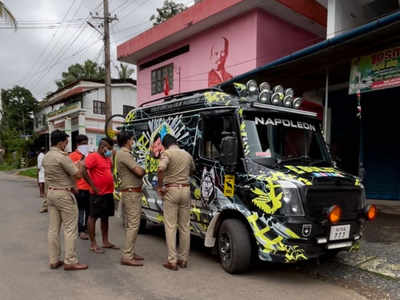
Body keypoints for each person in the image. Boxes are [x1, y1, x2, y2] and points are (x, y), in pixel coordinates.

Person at [42, 130, 88, 271]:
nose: (67, 145)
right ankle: (70, 261)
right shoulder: (62, 157)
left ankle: (54, 259)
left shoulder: (47, 156)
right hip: (63, 194)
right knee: (70, 229)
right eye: (66, 142)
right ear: (60, 142)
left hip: (51, 193)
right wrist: (81, 164)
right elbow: (78, 174)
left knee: (53, 229)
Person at [157, 134, 195, 271]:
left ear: (165, 145)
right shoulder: (187, 155)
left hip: (171, 190)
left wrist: (160, 186)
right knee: (185, 226)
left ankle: (172, 261)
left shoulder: (167, 153)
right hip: (185, 190)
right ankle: (183, 259)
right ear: (176, 142)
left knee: (171, 226)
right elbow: (192, 170)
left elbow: (161, 168)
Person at [83, 137, 119, 253]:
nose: (110, 150)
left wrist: (110, 156)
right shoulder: (93, 156)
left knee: (105, 217)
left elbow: (110, 170)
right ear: (102, 146)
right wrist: (93, 186)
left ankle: (105, 241)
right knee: (93, 217)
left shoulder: (107, 158)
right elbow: (83, 170)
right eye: (109, 148)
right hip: (97, 194)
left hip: (108, 193)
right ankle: (93, 244)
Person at [115, 132, 146, 266]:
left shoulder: (122, 153)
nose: (133, 142)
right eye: (132, 140)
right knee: (133, 225)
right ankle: (127, 255)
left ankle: (130, 252)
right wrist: (143, 169)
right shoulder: (124, 154)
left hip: (131, 192)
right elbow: (139, 171)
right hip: (131, 192)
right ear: (128, 141)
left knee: (131, 224)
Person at [69, 135, 90, 240]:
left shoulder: (90, 155)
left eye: (86, 143)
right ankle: (81, 230)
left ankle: (87, 227)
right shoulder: (72, 156)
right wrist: (73, 186)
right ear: (77, 144)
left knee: (89, 210)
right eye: (83, 144)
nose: (85, 146)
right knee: (81, 210)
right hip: (79, 187)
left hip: (89, 187)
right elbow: (70, 173)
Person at [37, 147, 48, 213]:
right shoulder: (42, 156)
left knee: (41, 182)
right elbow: (40, 164)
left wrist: (38, 170)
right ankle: (42, 193)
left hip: (42, 170)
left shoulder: (41, 155)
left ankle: (42, 193)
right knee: (42, 182)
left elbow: (39, 164)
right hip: (42, 170)